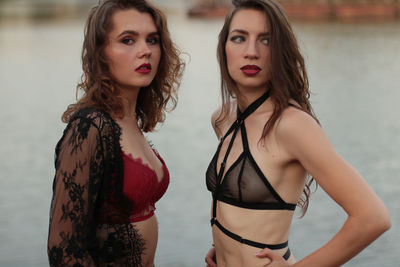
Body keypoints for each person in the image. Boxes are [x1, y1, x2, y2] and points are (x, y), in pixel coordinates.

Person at [204, 0, 391, 266]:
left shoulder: (292, 125)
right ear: (224, 48)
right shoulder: (223, 118)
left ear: (281, 51)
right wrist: (223, 244)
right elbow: (242, 211)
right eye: (239, 38)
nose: (251, 52)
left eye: (266, 40)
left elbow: (373, 218)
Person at [47, 0, 184, 266]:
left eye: (152, 40)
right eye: (128, 40)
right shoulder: (89, 128)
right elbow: (63, 248)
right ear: (101, 53)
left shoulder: (130, 121)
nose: (145, 51)